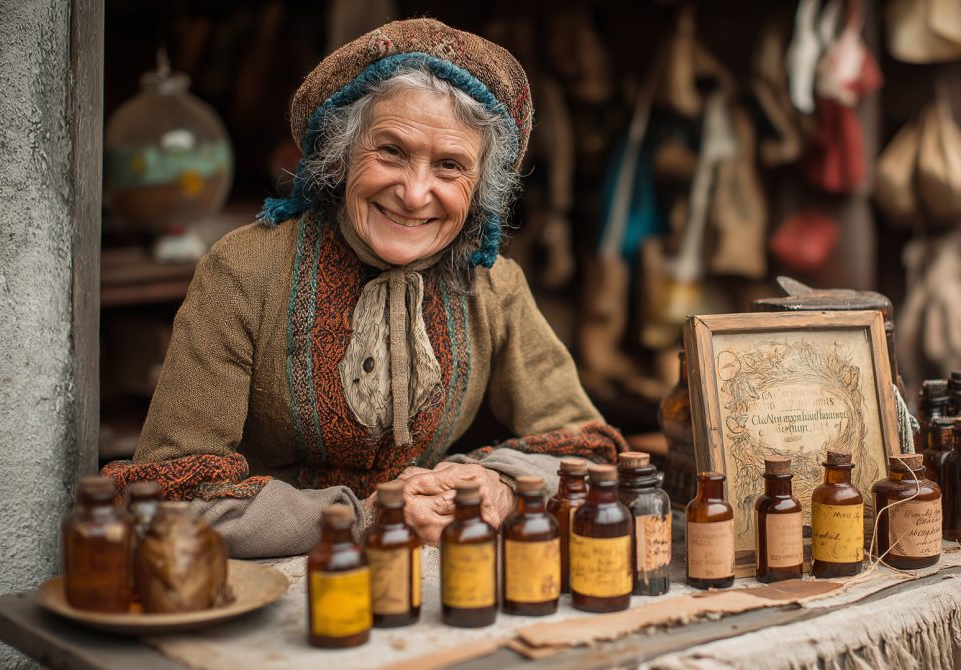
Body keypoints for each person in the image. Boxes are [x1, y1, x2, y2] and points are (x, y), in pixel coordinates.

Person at [103, 18, 625, 557]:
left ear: (479, 188)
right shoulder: (246, 267)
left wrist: (503, 485)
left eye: (449, 166)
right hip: (267, 579)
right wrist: (372, 515)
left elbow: (588, 453)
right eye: (392, 151)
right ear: (342, 151)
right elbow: (170, 497)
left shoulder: (491, 283)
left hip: (427, 577)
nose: (416, 192)